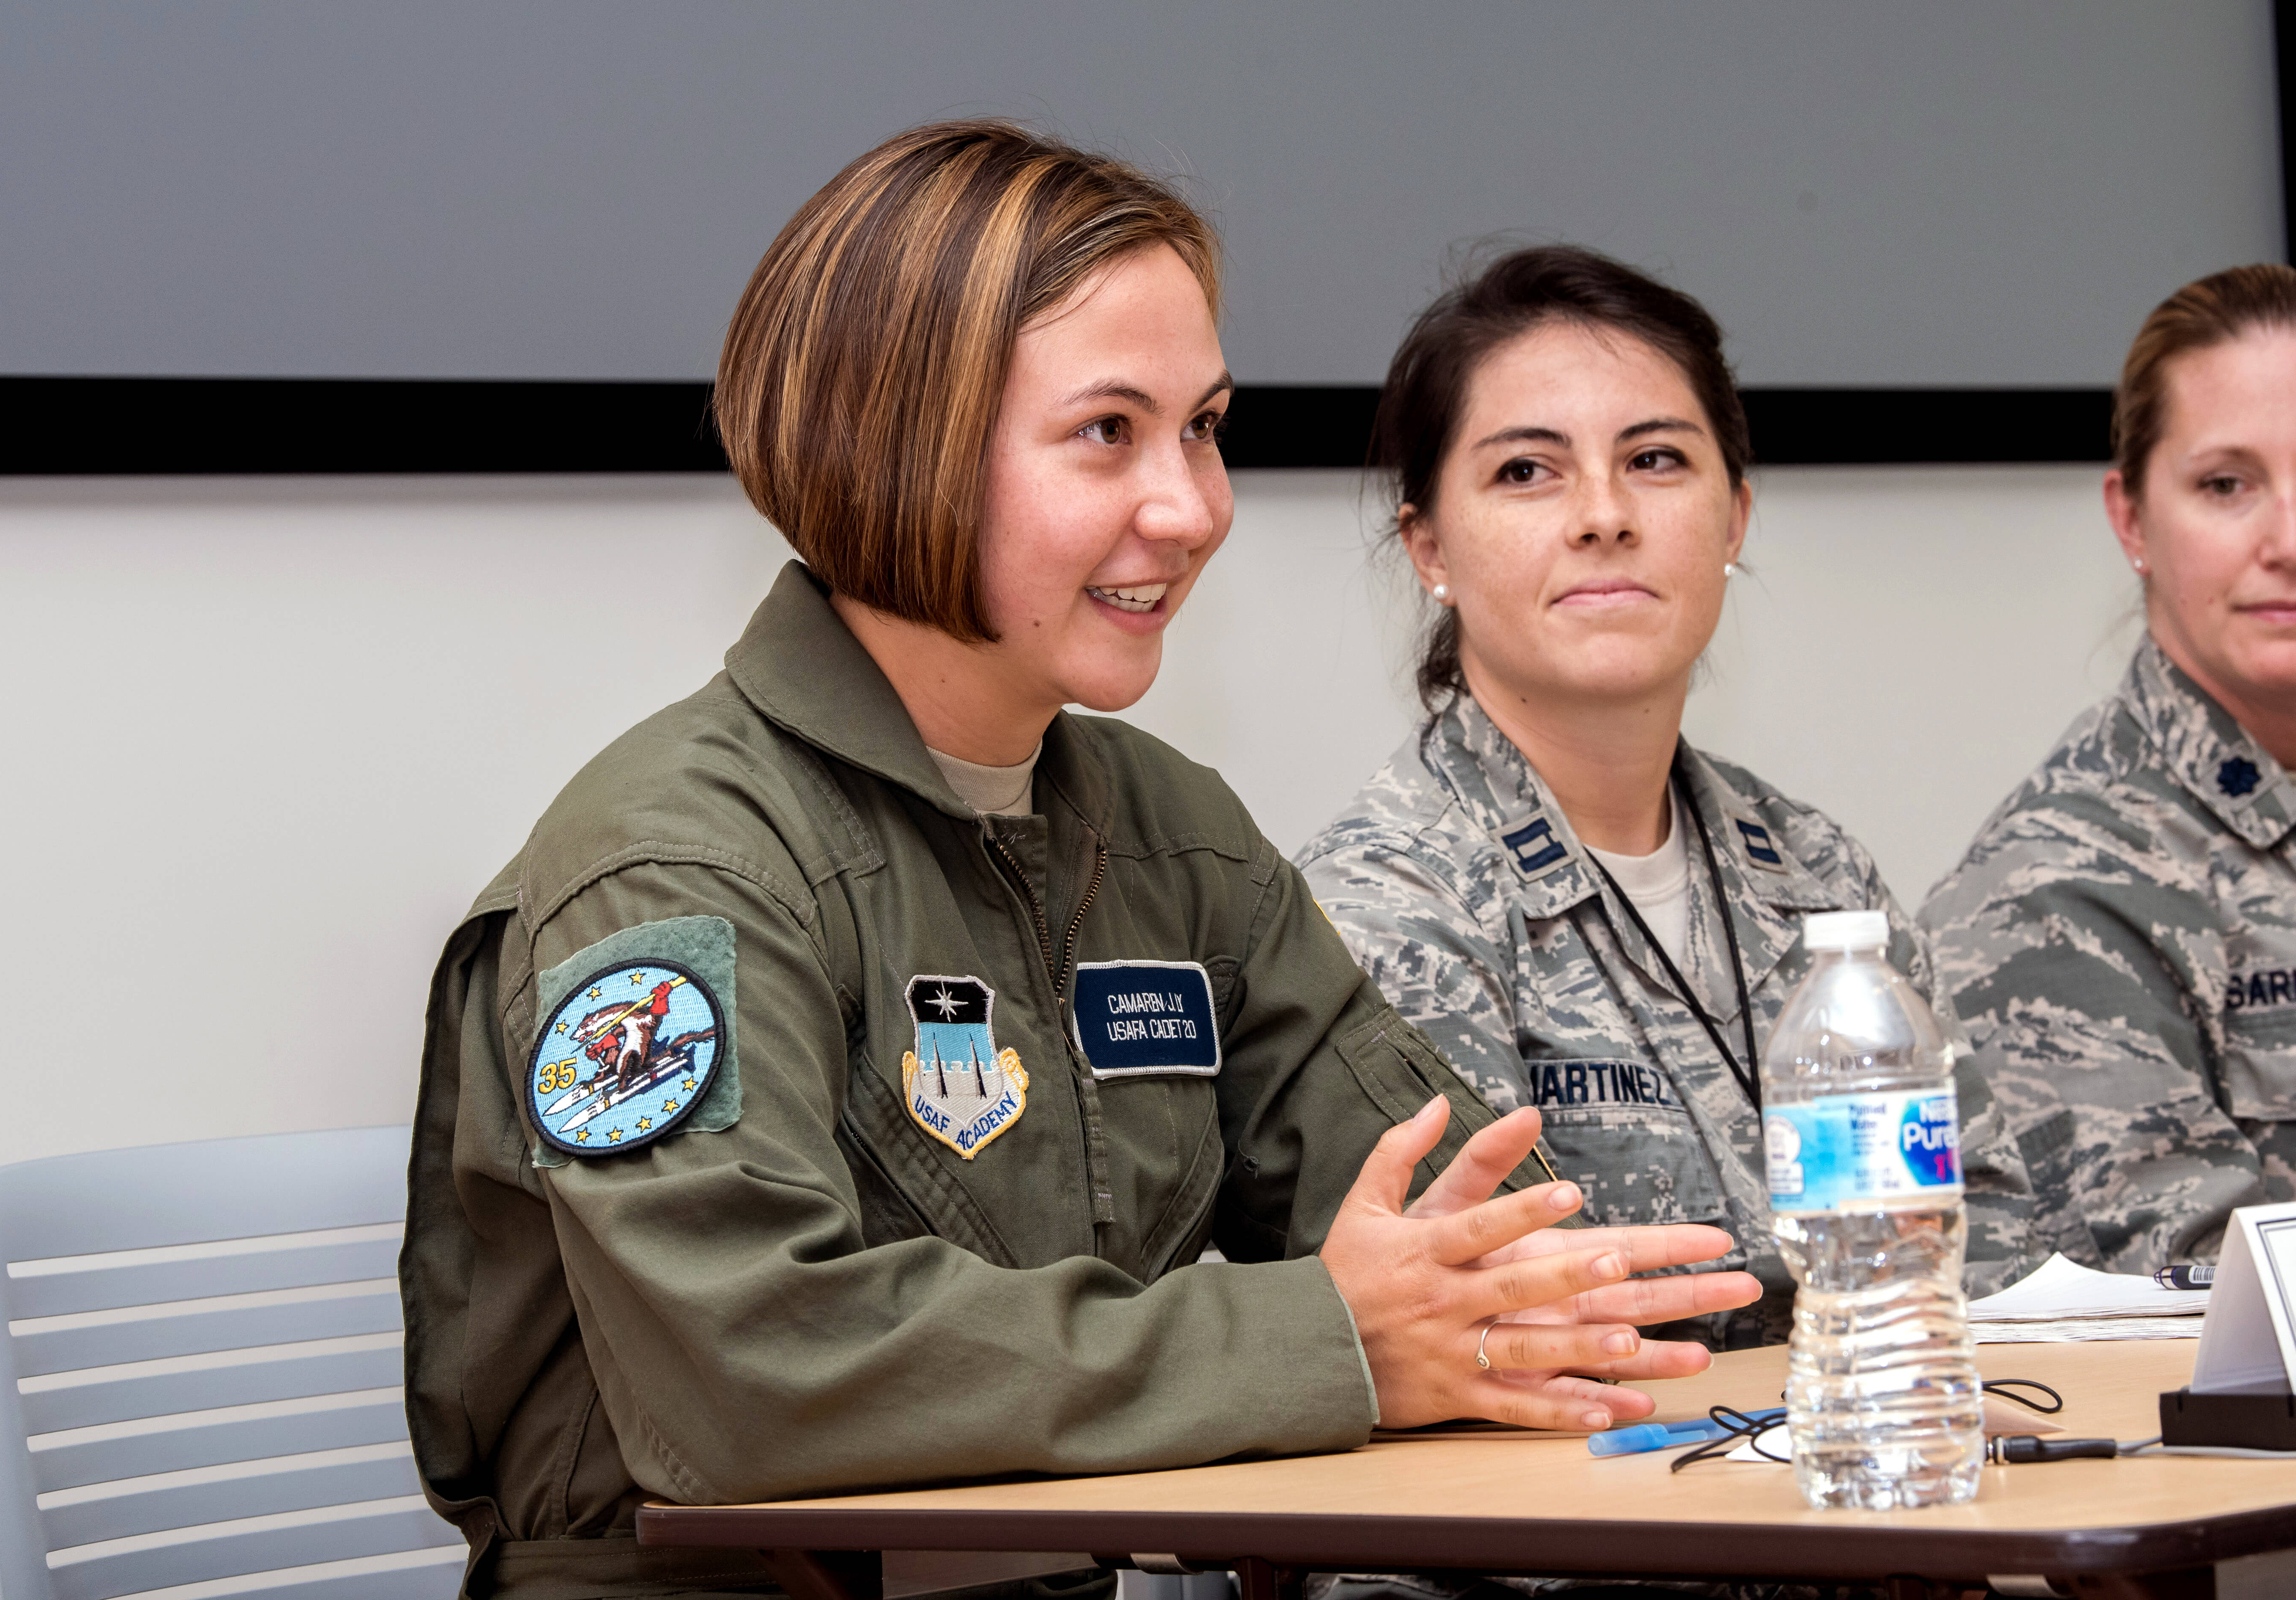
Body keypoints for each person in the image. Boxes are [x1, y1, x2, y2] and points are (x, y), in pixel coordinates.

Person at [400, 126, 1760, 1600]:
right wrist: (1331, 1341)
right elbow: (756, 1376)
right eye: (1108, 432)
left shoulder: (1169, 835)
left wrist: (1533, 1304)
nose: (1193, 507)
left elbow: (1466, 1240)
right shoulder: (674, 868)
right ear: (894, 444)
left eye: (1204, 425)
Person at [1296, 246, 2036, 1353]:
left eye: (1655, 459)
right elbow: (1506, 1322)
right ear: (1429, 546)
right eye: (1526, 473)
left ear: (1733, 520)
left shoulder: (1818, 873)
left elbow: (1995, 1254)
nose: (1604, 515)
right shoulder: (1384, 903)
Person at [1919, 264, 2296, 1274]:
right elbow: (2202, 1290)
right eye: (2225, 485)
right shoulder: (2046, 893)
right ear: (2131, 518)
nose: (2292, 541)